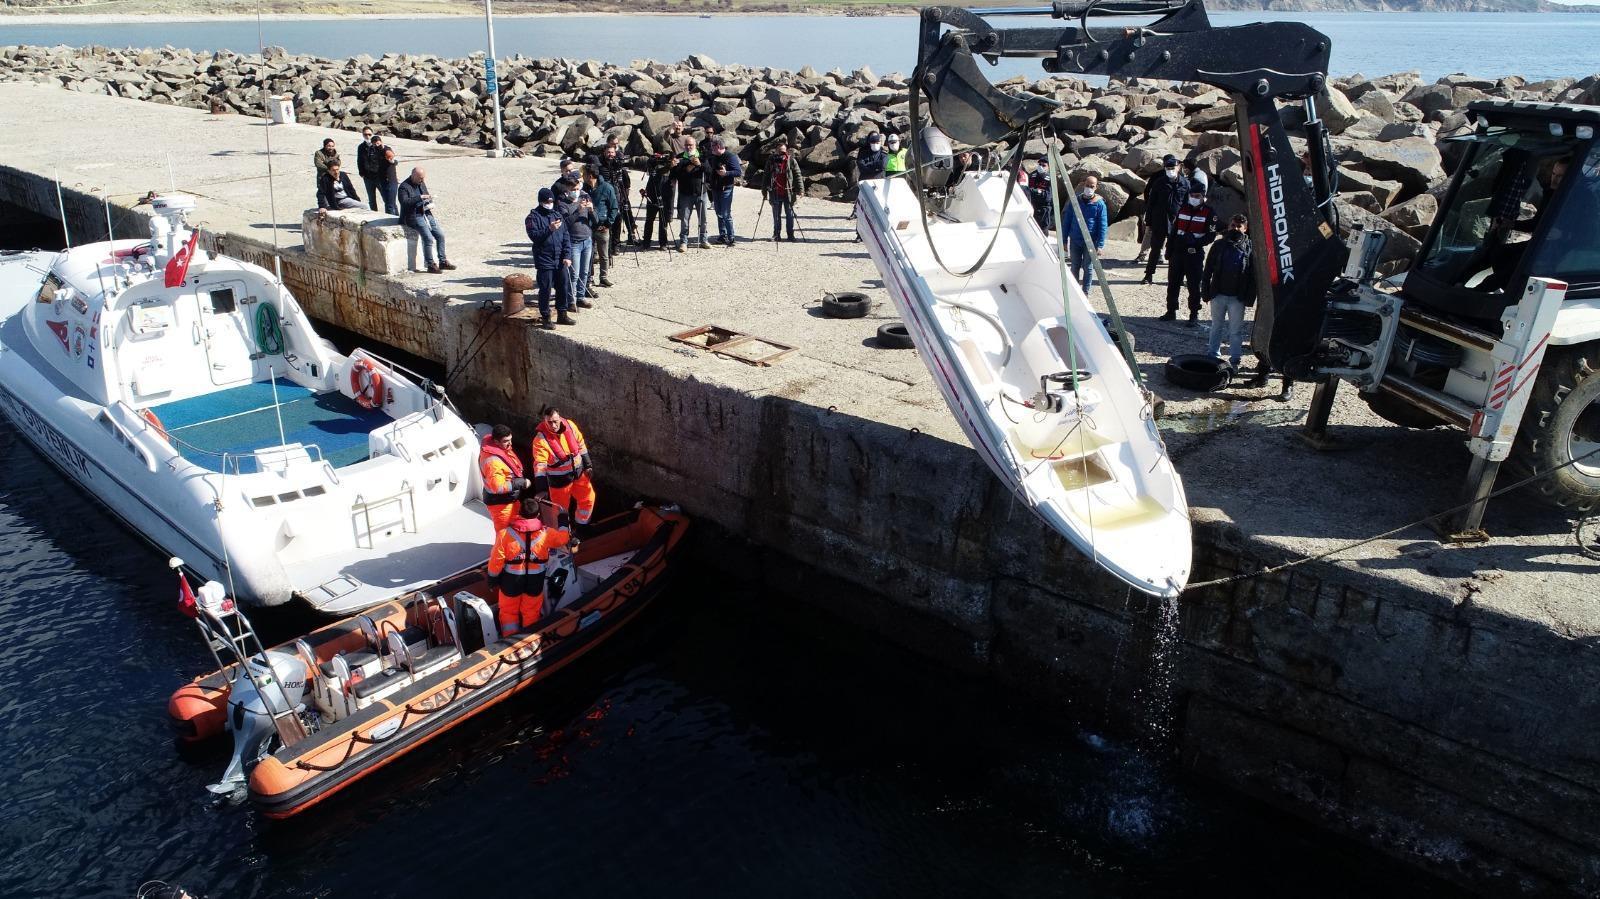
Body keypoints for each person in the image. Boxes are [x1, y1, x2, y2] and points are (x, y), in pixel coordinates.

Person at [486, 497, 576, 637]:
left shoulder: (505, 534)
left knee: (509, 612)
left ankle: (510, 639)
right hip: (535, 581)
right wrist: (563, 520)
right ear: (538, 515)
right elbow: (563, 538)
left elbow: (496, 561)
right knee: (531, 612)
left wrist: (492, 579)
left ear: (519, 513)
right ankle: (529, 639)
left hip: (511, 581)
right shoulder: (547, 533)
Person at [1201, 213, 1257, 374]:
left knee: (1235, 331)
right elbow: (1208, 270)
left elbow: (1253, 275)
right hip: (1218, 294)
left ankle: (1235, 360)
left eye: (1239, 226)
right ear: (1228, 226)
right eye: (1233, 225)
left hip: (1237, 298)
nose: (1236, 229)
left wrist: (1249, 298)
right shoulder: (1219, 245)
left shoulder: (1250, 247)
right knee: (1216, 327)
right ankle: (1213, 355)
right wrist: (1205, 292)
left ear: (1245, 229)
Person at [532, 404, 595, 527]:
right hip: (559, 482)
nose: (553, 425)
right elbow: (540, 466)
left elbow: (581, 444)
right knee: (560, 511)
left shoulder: (570, 425)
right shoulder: (540, 441)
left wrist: (588, 465)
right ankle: (563, 534)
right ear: (544, 421)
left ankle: (582, 525)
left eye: (555, 421)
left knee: (588, 498)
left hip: (578, 474)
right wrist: (542, 489)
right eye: (549, 422)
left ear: (560, 418)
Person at [1162, 183, 1218, 324]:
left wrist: (1196, 241)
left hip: (1194, 254)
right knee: (1173, 283)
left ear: (1203, 197)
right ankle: (1171, 311)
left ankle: (1194, 314)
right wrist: (1169, 249)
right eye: (1192, 196)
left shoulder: (1210, 213)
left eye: (1197, 196)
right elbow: (1174, 231)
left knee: (1193, 285)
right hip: (1177, 252)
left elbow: (1211, 236)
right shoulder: (1183, 209)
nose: (1194, 198)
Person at [524, 187, 574, 329]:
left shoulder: (557, 215)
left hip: (560, 258)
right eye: (547, 202)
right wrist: (549, 229)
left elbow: (566, 237)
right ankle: (545, 317)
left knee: (563, 286)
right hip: (544, 258)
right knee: (545, 289)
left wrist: (567, 255)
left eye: (551, 202)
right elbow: (534, 236)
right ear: (541, 202)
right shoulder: (533, 217)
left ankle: (562, 313)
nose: (549, 204)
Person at [1141, 154, 1190, 285]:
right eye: (1168, 168)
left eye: (1172, 168)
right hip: (1160, 221)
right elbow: (1151, 202)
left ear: (1178, 167)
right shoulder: (1159, 182)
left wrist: (1187, 223)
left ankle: (1177, 277)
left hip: (1177, 222)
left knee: (1176, 251)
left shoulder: (1185, 184)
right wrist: (1149, 221)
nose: (1170, 170)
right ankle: (1148, 275)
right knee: (1155, 249)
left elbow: (1187, 205)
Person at [397, 167, 454, 273]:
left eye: (423, 178)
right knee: (428, 238)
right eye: (420, 178)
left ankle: (442, 261)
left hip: (425, 212)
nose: (422, 180)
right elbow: (404, 203)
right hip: (413, 215)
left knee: (440, 235)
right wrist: (420, 197)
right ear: (413, 176)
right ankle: (430, 264)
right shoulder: (404, 187)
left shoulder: (421, 183)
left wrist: (429, 201)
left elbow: (425, 195)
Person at [555, 173, 597, 307]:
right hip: (574, 242)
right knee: (574, 274)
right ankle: (571, 300)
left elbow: (596, 221)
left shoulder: (584, 198)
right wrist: (578, 211)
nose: (576, 192)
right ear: (567, 190)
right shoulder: (562, 204)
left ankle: (580, 297)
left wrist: (592, 211)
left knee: (584, 272)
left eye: (578, 189)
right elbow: (565, 224)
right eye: (573, 189)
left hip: (587, 240)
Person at [1062, 175, 1109, 293]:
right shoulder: (1075, 201)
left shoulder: (1100, 204)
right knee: (1074, 266)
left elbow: (1103, 225)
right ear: (1084, 185)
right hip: (1075, 240)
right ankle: (1075, 292)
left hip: (1091, 242)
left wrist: (1100, 245)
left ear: (1096, 187)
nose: (1089, 188)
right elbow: (1067, 220)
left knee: (1088, 267)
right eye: (1087, 185)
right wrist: (1064, 240)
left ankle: (1085, 292)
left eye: (1092, 186)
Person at [479, 423, 531, 531]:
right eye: (506, 441)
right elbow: (497, 487)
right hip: (501, 505)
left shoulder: (499, 449)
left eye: (510, 439)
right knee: (504, 533)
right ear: (496, 441)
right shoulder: (493, 463)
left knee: (514, 530)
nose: (510, 443)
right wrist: (521, 482)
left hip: (509, 500)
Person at [583, 165, 618, 292]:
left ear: (590, 176)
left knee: (604, 254)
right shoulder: (584, 188)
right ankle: (589, 277)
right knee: (589, 254)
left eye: (584, 174)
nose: (583, 176)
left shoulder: (607, 188)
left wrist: (608, 224)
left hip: (603, 226)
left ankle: (603, 277)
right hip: (588, 226)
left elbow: (614, 207)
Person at [706, 137, 743, 246]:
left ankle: (731, 237)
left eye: (712, 146)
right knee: (719, 213)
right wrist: (709, 182)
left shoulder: (730, 157)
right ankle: (722, 236)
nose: (711, 148)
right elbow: (712, 171)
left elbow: (738, 172)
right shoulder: (714, 157)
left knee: (726, 214)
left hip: (726, 189)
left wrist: (726, 173)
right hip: (715, 189)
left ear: (718, 146)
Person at [600, 138, 637, 245]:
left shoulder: (619, 158)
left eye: (612, 152)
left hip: (620, 192)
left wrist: (625, 193)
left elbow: (626, 179)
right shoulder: (600, 162)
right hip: (607, 194)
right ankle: (610, 242)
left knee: (624, 213)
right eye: (609, 152)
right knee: (612, 217)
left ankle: (630, 235)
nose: (610, 154)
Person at [764, 139, 801, 241]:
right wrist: (764, 191)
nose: (782, 153)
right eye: (780, 151)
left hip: (788, 192)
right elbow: (766, 175)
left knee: (789, 215)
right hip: (775, 191)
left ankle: (790, 235)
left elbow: (798, 175)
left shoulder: (791, 160)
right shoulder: (771, 161)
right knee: (776, 215)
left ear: (787, 151)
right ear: (776, 151)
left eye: (784, 151)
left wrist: (801, 189)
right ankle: (776, 234)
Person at [673, 149, 709, 251]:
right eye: (687, 145)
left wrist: (700, 165)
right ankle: (683, 241)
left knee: (703, 219)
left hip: (701, 193)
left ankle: (704, 240)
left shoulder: (702, 155)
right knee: (684, 219)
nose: (688, 147)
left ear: (695, 146)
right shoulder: (680, 157)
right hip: (685, 194)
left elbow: (709, 171)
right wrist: (687, 169)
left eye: (691, 145)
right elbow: (676, 174)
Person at [642, 152, 677, 250]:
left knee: (663, 220)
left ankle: (663, 243)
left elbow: (673, 177)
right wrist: (666, 164)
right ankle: (646, 242)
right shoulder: (653, 161)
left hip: (665, 193)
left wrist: (671, 164)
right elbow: (658, 171)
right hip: (652, 192)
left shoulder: (671, 165)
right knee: (649, 219)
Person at [355, 127, 380, 211]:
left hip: (378, 176)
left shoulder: (377, 146)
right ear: (363, 135)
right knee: (371, 199)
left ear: (372, 134)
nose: (367, 136)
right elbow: (359, 160)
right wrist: (361, 172)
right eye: (365, 134)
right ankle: (374, 214)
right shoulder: (361, 147)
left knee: (386, 198)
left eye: (369, 134)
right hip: (367, 177)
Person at [377, 145, 400, 216]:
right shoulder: (379, 154)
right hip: (383, 181)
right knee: (389, 203)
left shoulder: (388, 153)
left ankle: (392, 218)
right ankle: (396, 217)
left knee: (390, 204)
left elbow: (394, 162)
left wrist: (392, 161)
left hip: (391, 182)